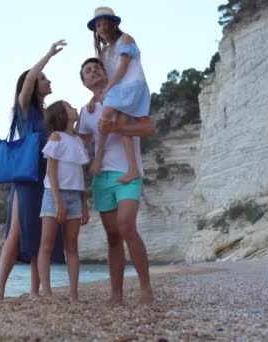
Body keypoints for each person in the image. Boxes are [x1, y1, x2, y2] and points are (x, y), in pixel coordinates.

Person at [0, 40, 67, 302]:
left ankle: (35, 292)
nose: (47, 81)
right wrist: (49, 54)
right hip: (27, 177)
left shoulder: (47, 115)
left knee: (38, 231)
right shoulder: (25, 109)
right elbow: (30, 78)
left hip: (45, 177)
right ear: (34, 84)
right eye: (43, 79)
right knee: (16, 232)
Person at [78, 57, 156, 305]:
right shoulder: (86, 112)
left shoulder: (124, 98)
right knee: (112, 236)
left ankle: (146, 288)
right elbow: (83, 147)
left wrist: (118, 129)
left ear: (105, 72)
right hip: (102, 178)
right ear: (84, 82)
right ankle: (116, 294)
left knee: (126, 226)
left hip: (128, 174)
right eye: (88, 71)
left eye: (96, 68)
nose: (93, 72)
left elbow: (148, 129)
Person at [86, 6, 151, 184]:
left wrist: (107, 91)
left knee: (106, 116)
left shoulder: (126, 39)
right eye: (98, 26)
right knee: (120, 125)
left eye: (105, 23)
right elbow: (105, 78)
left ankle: (99, 159)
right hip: (119, 91)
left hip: (132, 86)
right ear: (96, 32)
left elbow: (122, 68)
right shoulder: (105, 53)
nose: (102, 28)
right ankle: (133, 169)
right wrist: (94, 97)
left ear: (114, 24)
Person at [38, 100, 90, 304]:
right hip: (53, 195)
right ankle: (48, 293)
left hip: (75, 196)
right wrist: (59, 202)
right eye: (70, 107)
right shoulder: (56, 137)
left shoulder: (78, 141)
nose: (75, 109)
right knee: (47, 246)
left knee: (72, 247)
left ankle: (74, 295)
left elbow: (81, 175)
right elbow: (51, 171)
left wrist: (84, 203)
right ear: (62, 114)